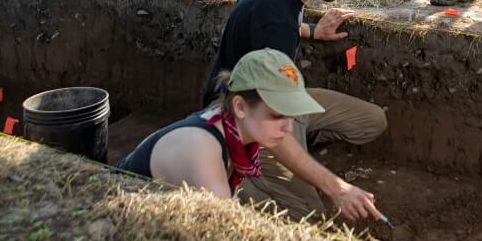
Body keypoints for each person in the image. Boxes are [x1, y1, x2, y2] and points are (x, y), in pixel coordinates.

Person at [202, 0, 386, 221]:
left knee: (372, 122)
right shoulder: (276, 21)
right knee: (308, 213)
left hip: (278, 97)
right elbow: (266, 106)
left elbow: (267, 24)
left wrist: (313, 32)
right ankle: (238, 178)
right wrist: (336, 187)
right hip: (241, 116)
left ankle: (295, 144)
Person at [117, 49, 326, 199]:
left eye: (291, 115)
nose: (289, 128)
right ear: (240, 107)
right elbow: (223, 232)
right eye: (276, 115)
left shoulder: (228, 128)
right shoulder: (202, 148)